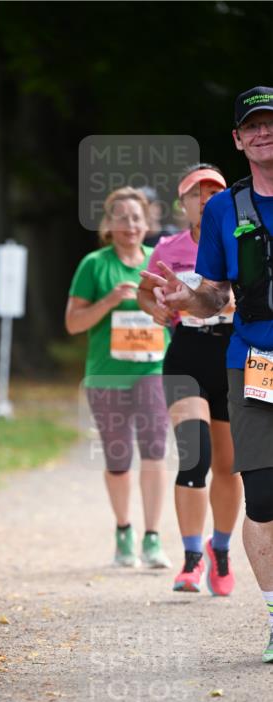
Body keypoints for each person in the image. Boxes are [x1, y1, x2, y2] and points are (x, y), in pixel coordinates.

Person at [141, 86, 273, 663]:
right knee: (262, 497)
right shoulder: (226, 210)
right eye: (254, 126)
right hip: (253, 364)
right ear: (240, 139)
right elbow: (216, 292)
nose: (265, 132)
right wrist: (184, 299)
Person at [138, 164, 242, 595]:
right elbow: (145, 289)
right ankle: (191, 558)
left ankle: (221, 549)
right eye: (195, 193)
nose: (204, 199)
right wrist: (155, 308)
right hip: (186, 355)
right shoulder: (168, 246)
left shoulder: (239, 241)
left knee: (228, 465)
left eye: (212, 191)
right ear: (182, 204)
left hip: (232, 356)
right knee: (194, 458)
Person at [65, 186, 171, 569]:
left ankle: (153, 537)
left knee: (156, 449)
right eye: (122, 217)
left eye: (137, 218)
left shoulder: (159, 263)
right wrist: (109, 301)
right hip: (106, 375)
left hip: (153, 369)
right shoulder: (94, 264)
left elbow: (180, 315)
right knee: (118, 458)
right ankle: (124, 530)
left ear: (148, 223)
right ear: (108, 224)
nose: (130, 225)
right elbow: (73, 323)